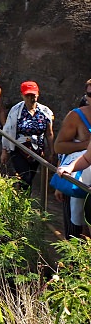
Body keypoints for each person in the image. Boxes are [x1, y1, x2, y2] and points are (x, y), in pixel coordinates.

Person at [1, 81, 54, 190]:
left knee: (30, 177)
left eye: (33, 95)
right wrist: (4, 151)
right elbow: (7, 130)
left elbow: (49, 133)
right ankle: (21, 201)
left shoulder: (45, 111)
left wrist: (52, 152)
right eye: (27, 95)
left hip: (37, 149)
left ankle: (22, 198)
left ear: (38, 94)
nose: (31, 98)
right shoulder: (16, 110)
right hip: (19, 147)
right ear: (22, 95)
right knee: (25, 178)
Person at [54, 97, 91, 237]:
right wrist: (69, 169)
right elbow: (60, 149)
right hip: (78, 181)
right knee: (76, 228)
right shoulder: (75, 117)